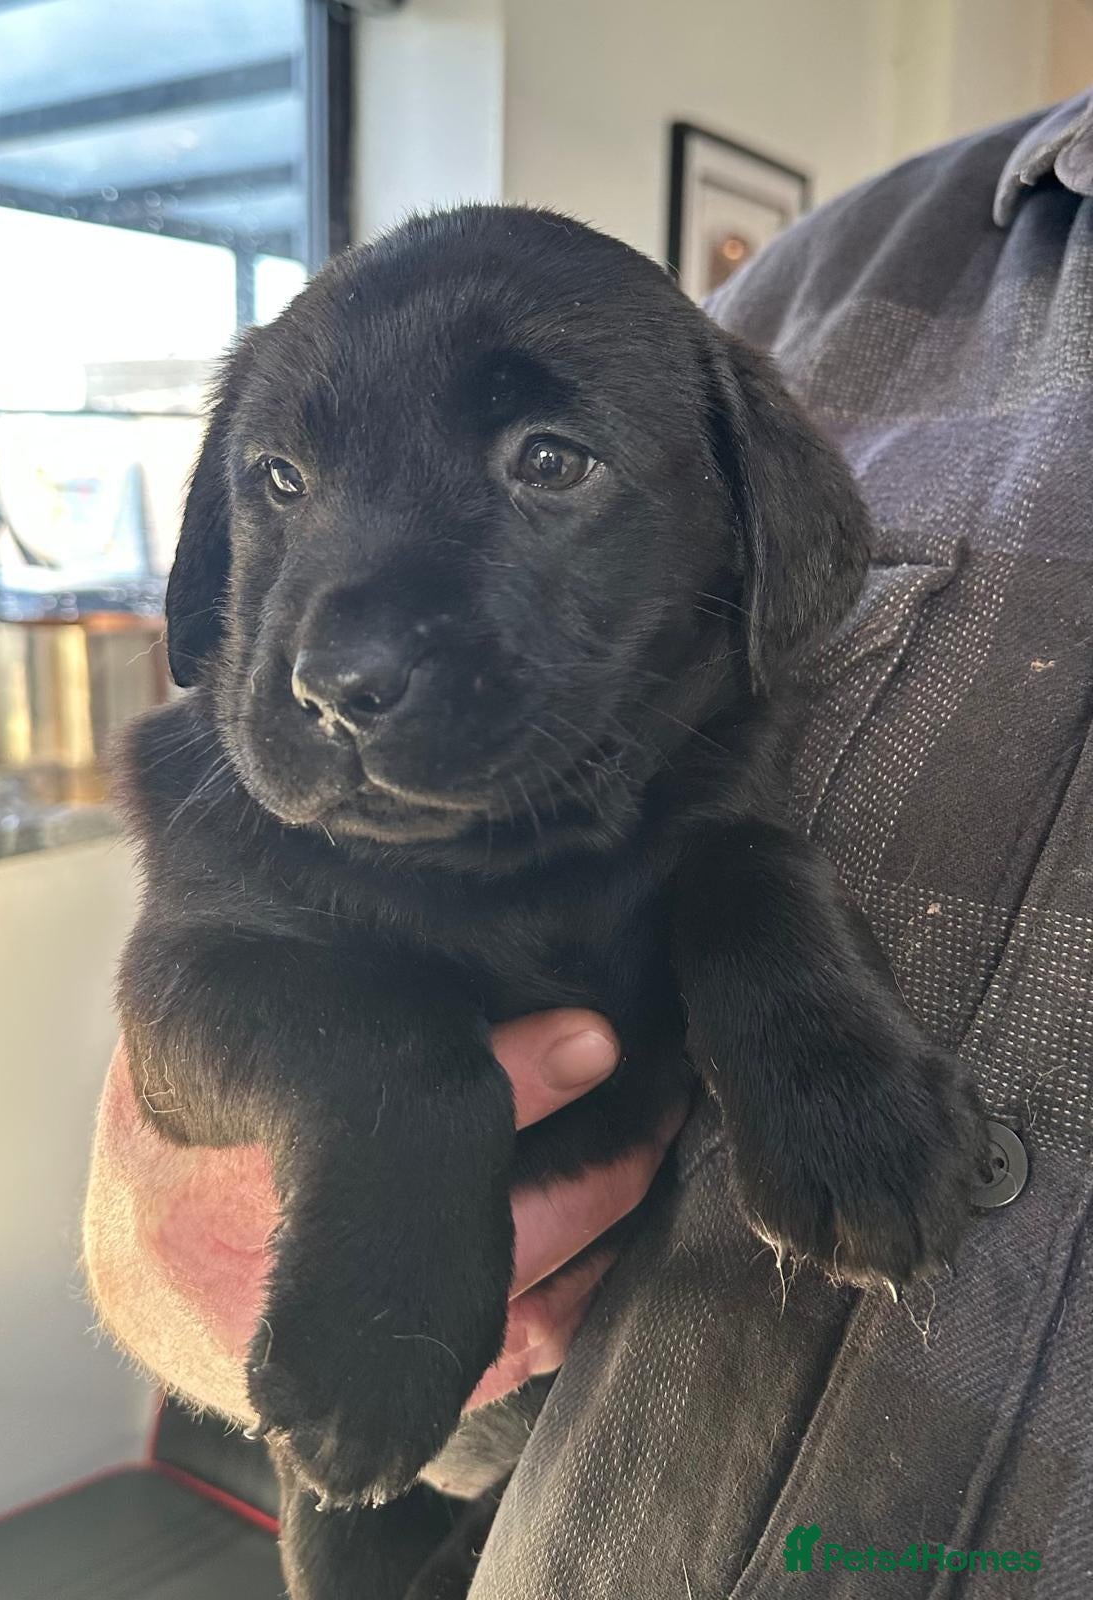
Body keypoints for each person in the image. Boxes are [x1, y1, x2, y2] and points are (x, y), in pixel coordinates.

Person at [85, 89, 1093, 1595]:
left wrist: (778, 965)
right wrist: (233, 1210)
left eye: (546, 464)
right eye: (284, 484)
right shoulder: (843, 266)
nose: (340, 652)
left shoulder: (708, 607)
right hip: (407, 1506)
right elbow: (195, 1022)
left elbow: (721, 844)